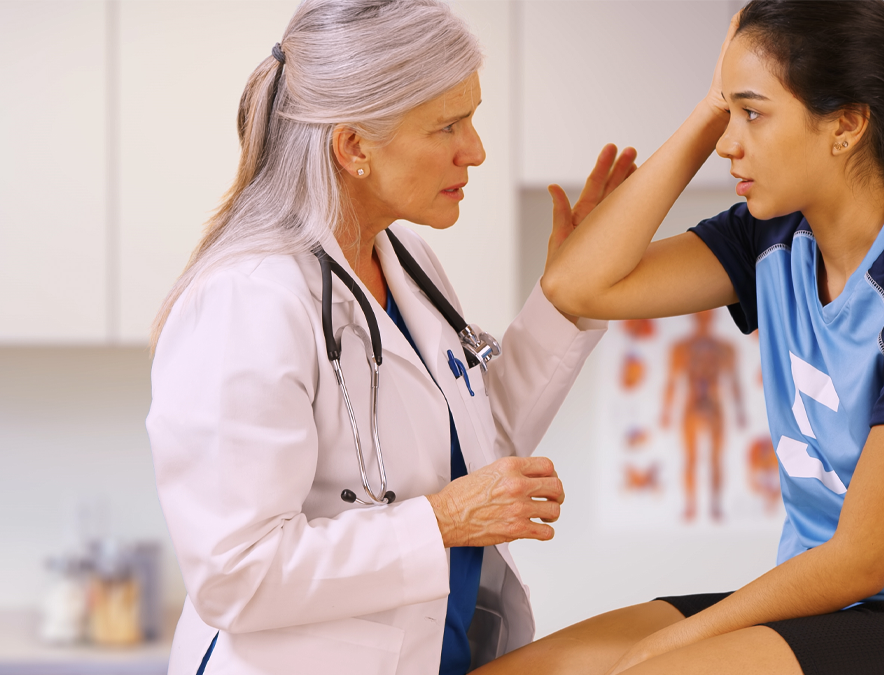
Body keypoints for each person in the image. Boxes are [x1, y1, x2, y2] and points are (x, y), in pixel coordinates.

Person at [484, 1, 884, 673]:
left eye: (752, 114)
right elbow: (577, 287)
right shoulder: (773, 236)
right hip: (829, 616)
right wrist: (710, 108)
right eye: (727, 114)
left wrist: (660, 648)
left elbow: (860, 559)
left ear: (846, 124)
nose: (730, 143)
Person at [145, 2, 634, 674]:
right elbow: (238, 573)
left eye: (473, 117)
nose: (477, 149)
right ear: (354, 148)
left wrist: (566, 298)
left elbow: (470, 449)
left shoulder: (404, 260)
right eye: (448, 125)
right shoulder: (248, 297)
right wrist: (443, 521)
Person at [660, 310, 745, 521]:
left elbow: (734, 382)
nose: (704, 319)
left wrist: (740, 411)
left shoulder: (725, 348)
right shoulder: (682, 348)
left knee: (715, 458)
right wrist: (666, 411)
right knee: (691, 458)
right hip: (692, 404)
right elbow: (672, 381)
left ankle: (715, 505)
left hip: (714, 405)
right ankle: (691, 505)